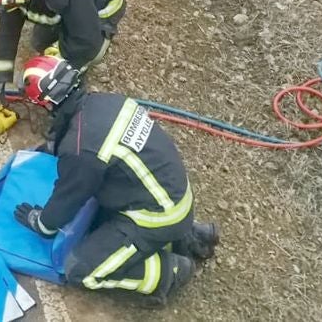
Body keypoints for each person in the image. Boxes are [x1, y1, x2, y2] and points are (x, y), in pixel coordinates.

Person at [14, 56, 218, 307]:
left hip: (157, 217)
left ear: (46, 103)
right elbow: (94, 145)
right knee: (99, 217)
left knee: (79, 269)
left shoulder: (81, 150)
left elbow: (65, 202)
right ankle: (189, 234)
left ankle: (171, 271)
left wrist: (41, 222)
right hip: (174, 195)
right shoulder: (108, 102)